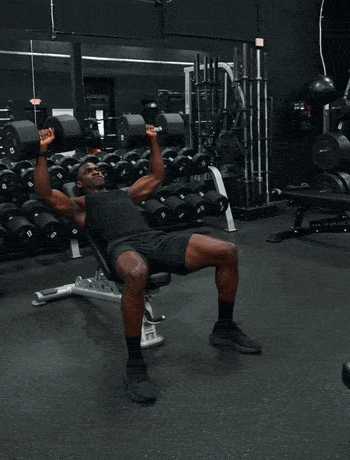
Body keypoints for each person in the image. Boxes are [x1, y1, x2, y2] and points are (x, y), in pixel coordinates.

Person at [34, 124, 261, 403]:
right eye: (88, 171)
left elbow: (156, 175)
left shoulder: (126, 194)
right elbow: (45, 193)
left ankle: (224, 328)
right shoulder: (79, 204)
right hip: (123, 247)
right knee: (138, 272)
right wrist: (43, 150)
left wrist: (154, 140)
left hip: (155, 239)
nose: (95, 171)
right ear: (80, 183)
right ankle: (135, 363)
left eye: (97, 168)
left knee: (227, 250)